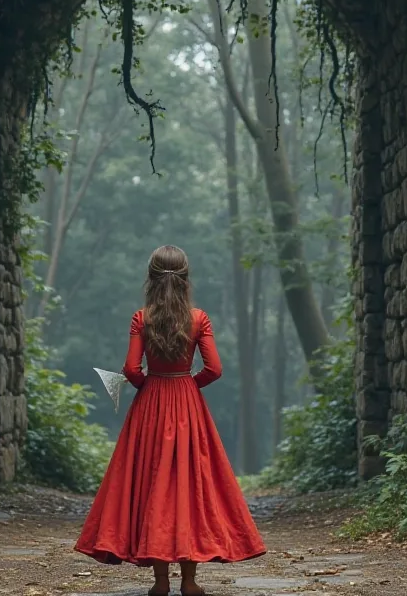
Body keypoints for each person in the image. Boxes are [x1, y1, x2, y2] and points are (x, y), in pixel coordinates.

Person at [74, 245, 266, 596]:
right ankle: (190, 582)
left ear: (150, 277)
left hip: (151, 405)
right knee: (189, 487)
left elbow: (132, 369)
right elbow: (215, 369)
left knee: (153, 487)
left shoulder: (141, 318)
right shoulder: (199, 319)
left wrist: (147, 384)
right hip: (187, 404)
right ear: (185, 278)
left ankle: (160, 582)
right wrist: (190, 383)